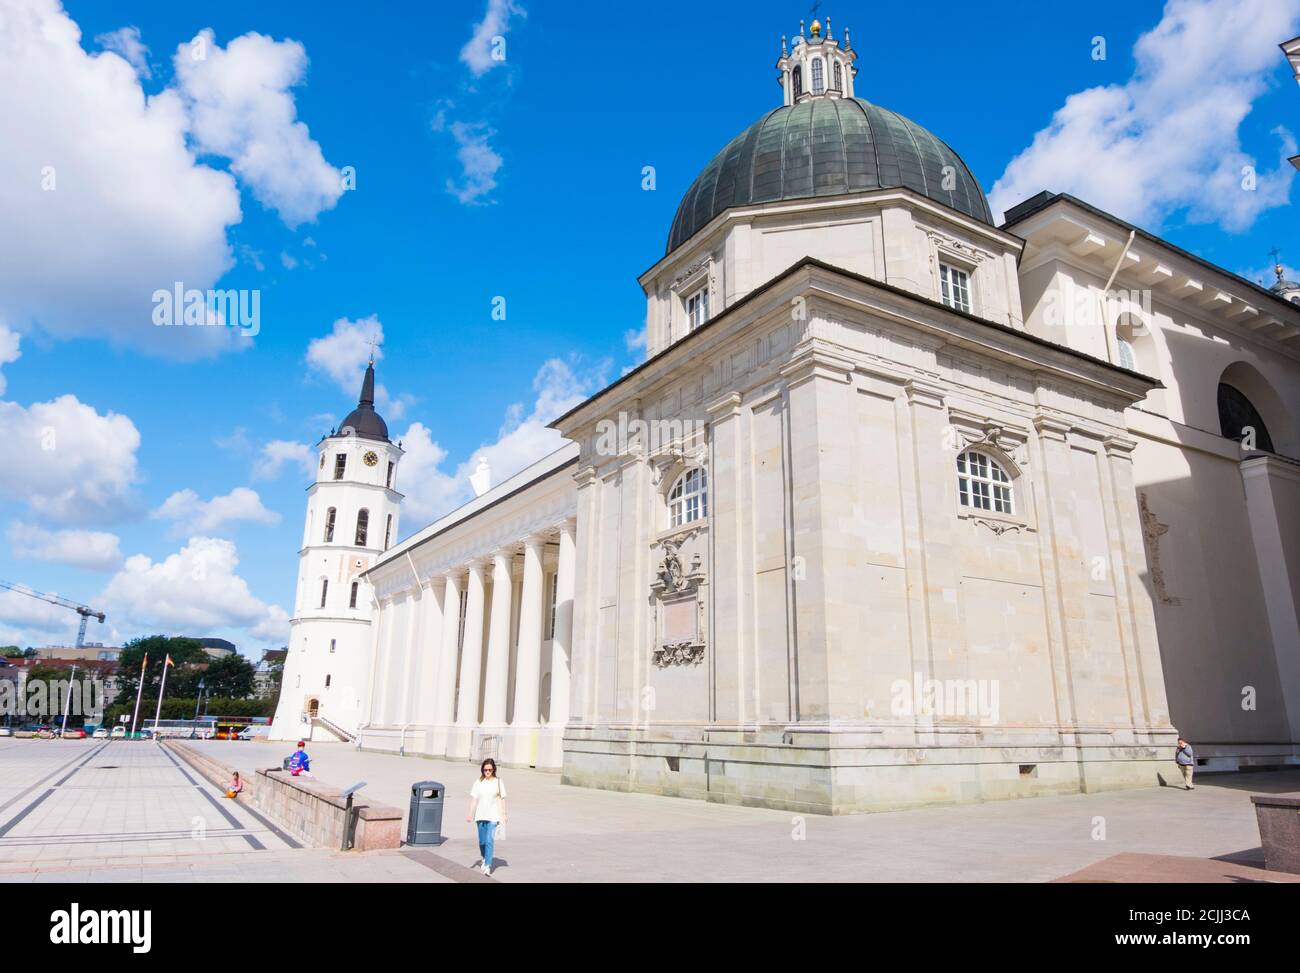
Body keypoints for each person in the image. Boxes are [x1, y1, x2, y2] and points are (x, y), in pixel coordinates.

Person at [467, 758, 507, 876]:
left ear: (494, 769)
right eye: (485, 770)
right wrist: (470, 814)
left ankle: (488, 865)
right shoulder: (478, 782)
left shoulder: (498, 782)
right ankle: (484, 857)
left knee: (489, 840)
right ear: (482, 770)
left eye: (490, 769)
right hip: (480, 815)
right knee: (482, 842)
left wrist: (504, 814)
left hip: (493, 816)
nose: (487, 772)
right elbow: (474, 799)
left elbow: (503, 799)